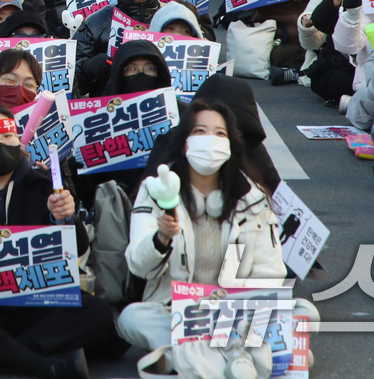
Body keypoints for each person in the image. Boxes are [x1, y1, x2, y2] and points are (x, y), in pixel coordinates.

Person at [0, 105, 125, 379]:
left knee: (97, 312)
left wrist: (64, 218)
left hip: (40, 303)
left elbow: (77, 249)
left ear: (19, 140)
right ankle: (42, 366)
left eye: (7, 136)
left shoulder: (43, 187)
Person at [118, 99, 314, 377]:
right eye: (200, 131)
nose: (210, 140)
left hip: (237, 310)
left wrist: (233, 308)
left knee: (303, 309)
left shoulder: (252, 198)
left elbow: (271, 272)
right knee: (132, 317)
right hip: (176, 312)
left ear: (230, 145)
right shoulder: (156, 192)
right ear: (185, 143)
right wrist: (161, 238)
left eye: (219, 133)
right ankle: (243, 355)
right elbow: (138, 265)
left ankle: (181, 357)